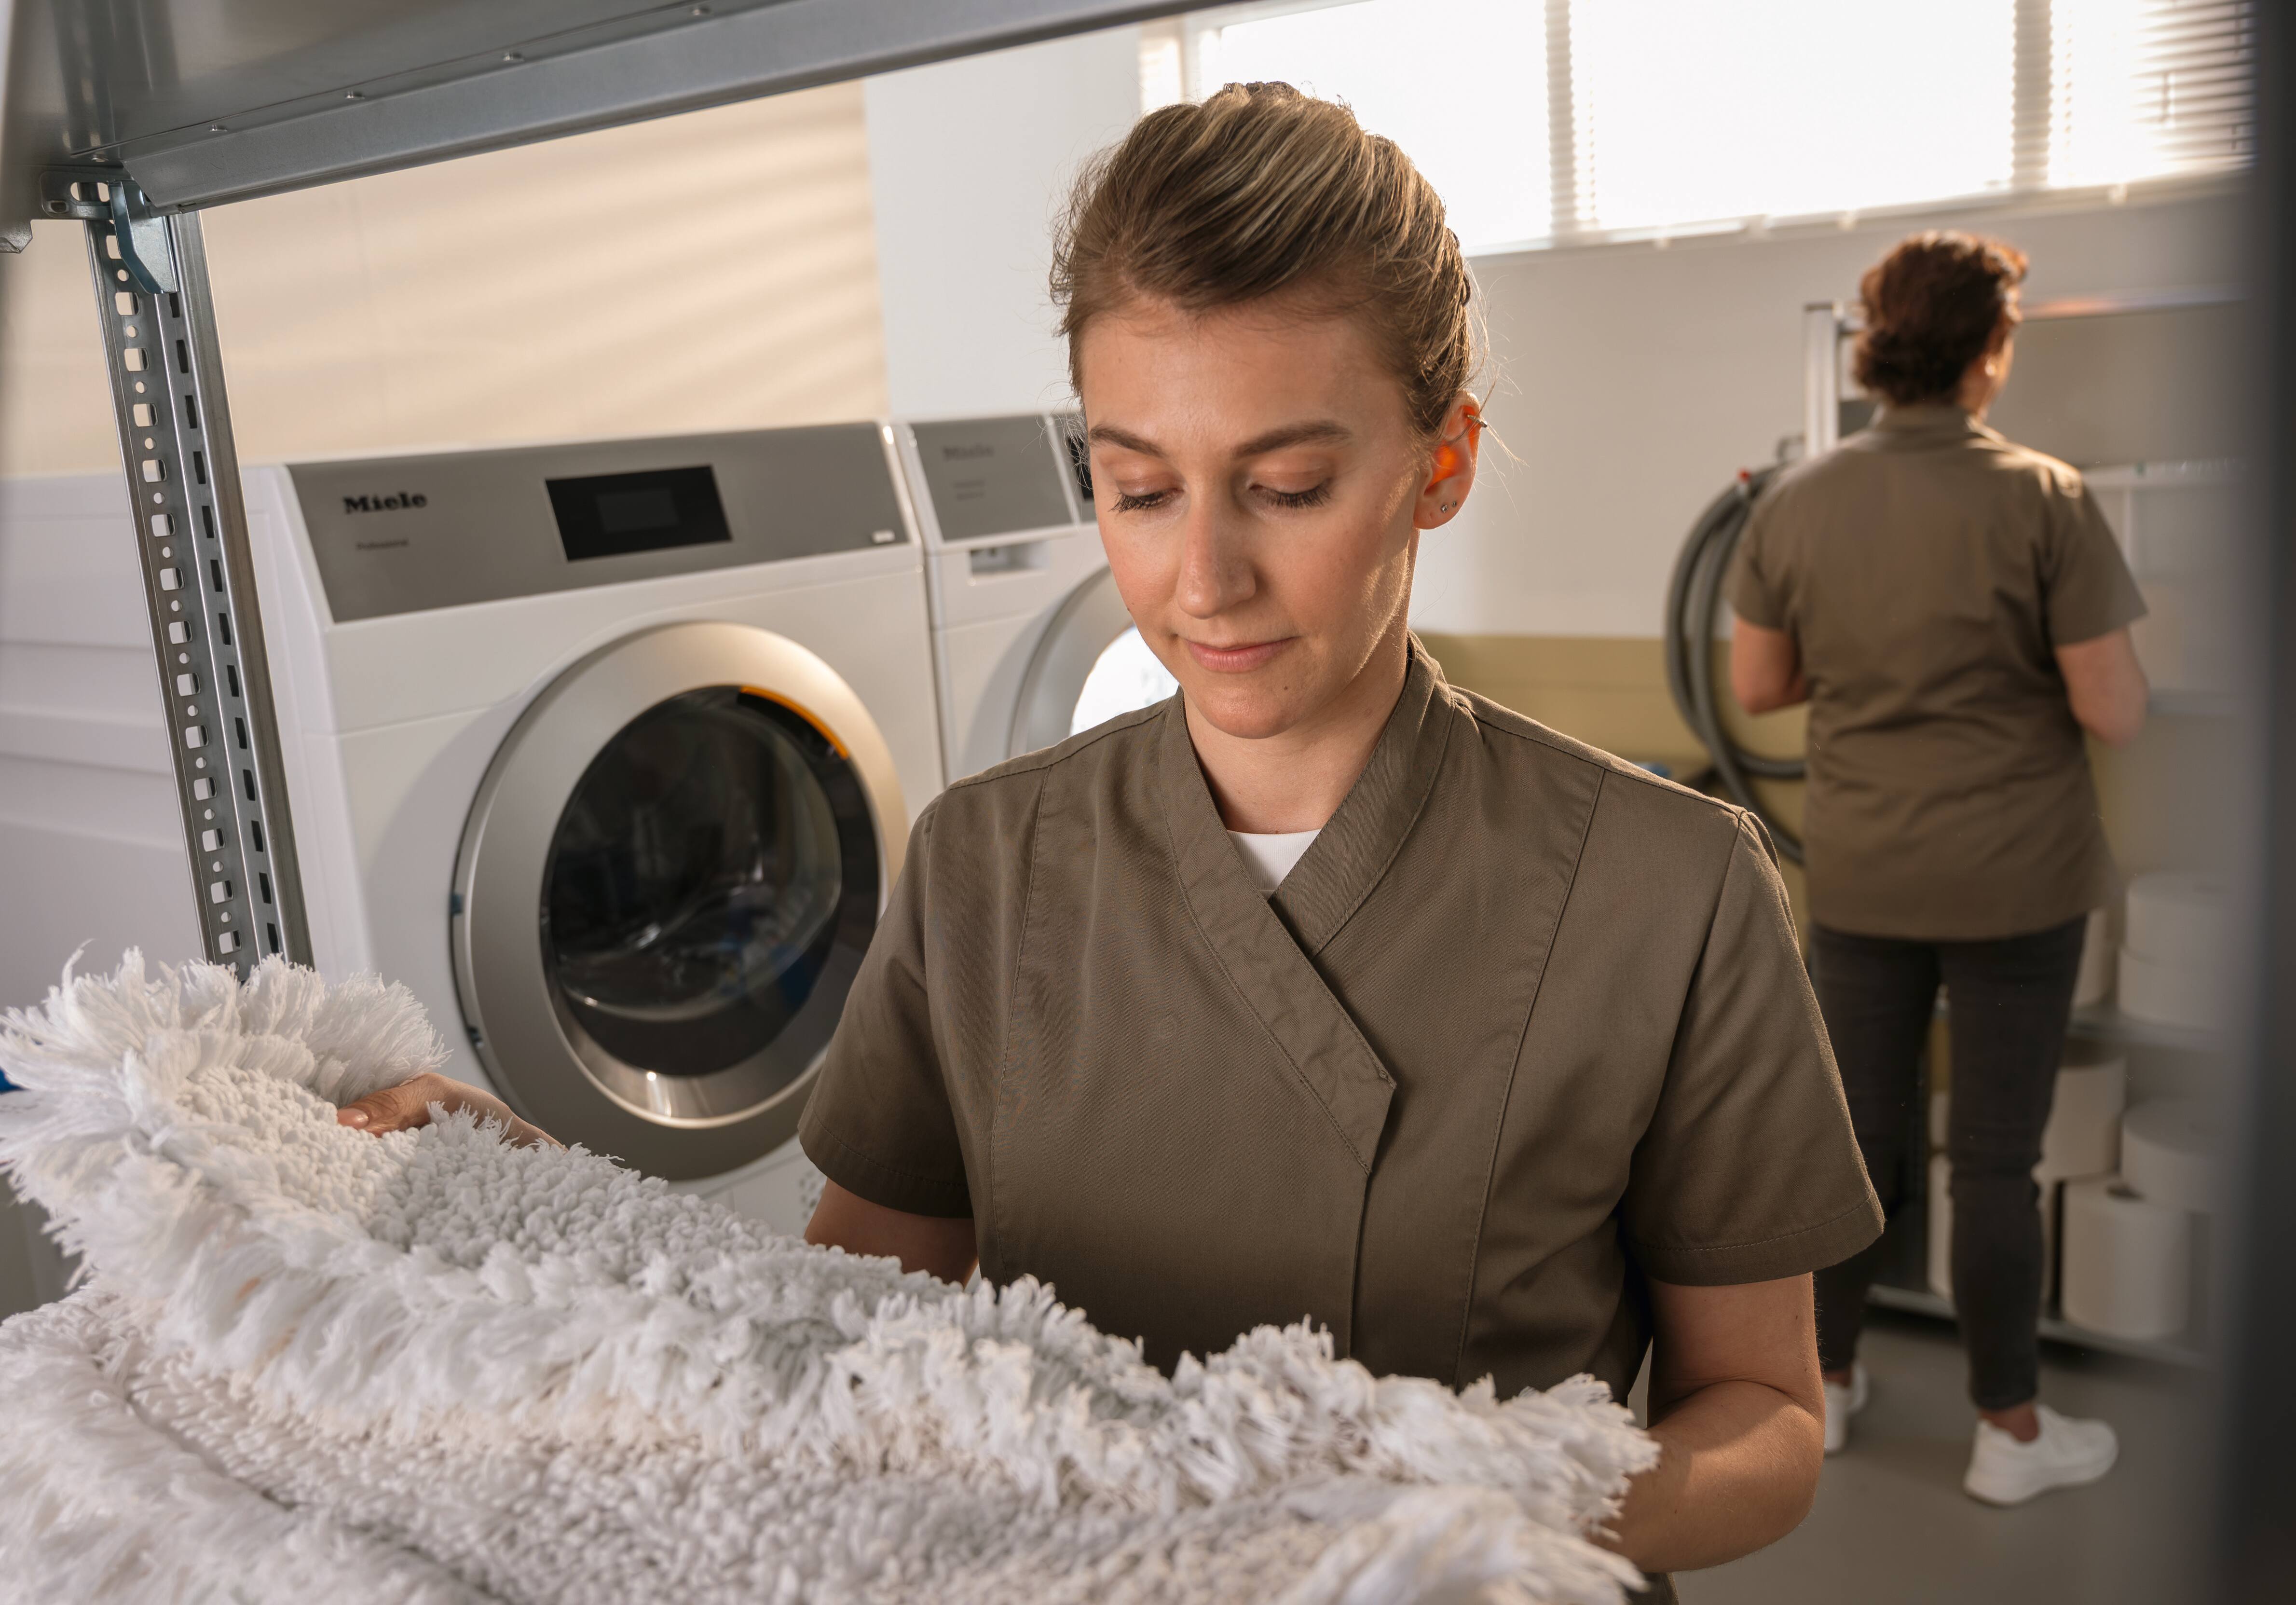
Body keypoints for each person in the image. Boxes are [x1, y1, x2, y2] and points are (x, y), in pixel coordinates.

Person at [342, 83, 1880, 1587]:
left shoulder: (1666, 890)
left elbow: (1766, 1420)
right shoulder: (984, 865)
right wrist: (545, 1199)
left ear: (1443, 464)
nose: (1202, 579)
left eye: (1286, 486)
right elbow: (831, 1328)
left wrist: (1451, 1535)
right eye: (1139, 489)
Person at [1725, 230, 2149, 1507]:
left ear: (1878, 350)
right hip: (2017, 878)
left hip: (1862, 875)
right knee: (1998, 1160)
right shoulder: (2046, 497)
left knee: (1854, 1139)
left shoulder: (1795, 501)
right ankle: (2009, 1436)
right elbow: (2116, 709)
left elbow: (1759, 687)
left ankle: (1832, 1390)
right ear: (1990, 353)